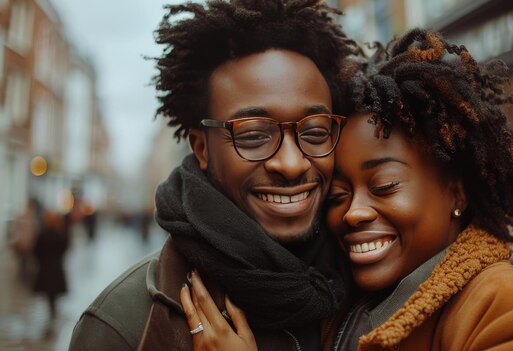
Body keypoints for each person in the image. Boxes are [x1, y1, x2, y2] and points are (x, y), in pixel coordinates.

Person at [182, 28, 513, 351]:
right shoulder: (338, 303)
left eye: (385, 186)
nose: (353, 212)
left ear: (457, 192)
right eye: (338, 196)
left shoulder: (509, 307)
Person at [68, 1, 357, 350]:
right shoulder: (125, 326)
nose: (292, 163)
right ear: (201, 149)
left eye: (314, 131)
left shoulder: (374, 282)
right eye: (253, 134)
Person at [33, 211, 69, 322]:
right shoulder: (61, 235)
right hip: (56, 267)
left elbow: (36, 251)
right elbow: (64, 249)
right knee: (54, 290)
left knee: (48, 291)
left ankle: (51, 309)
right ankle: (53, 309)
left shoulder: (42, 235)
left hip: (45, 267)